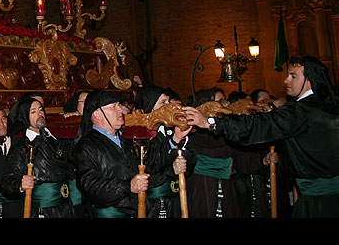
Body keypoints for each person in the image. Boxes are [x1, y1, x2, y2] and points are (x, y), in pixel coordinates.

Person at [184, 55, 339, 218]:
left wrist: (211, 123)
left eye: (293, 76)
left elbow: (256, 126)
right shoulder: (328, 106)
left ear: (310, 80)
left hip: (320, 203)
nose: (286, 80)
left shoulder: (301, 111)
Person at [183, 87, 280, 218]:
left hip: (227, 189)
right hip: (201, 189)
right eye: (219, 101)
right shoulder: (195, 134)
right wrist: (216, 126)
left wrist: (264, 160)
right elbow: (213, 141)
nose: (225, 105)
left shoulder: (227, 133)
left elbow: (241, 160)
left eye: (224, 100)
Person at [74, 89, 149, 218]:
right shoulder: (87, 145)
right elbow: (89, 185)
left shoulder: (128, 140)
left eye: (119, 105)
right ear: (97, 114)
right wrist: (128, 186)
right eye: (113, 107)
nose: (121, 110)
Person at [0, 95, 76, 218]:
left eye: (41, 109)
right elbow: (6, 182)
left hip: (66, 208)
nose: (40, 114)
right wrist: (20, 185)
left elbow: (77, 157)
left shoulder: (57, 140)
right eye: (33, 112)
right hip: (42, 211)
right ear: (25, 117)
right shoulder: (21, 148)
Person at [132, 84, 194, 218]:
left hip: (176, 197)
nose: (168, 106)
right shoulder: (140, 136)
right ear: (150, 107)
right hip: (155, 203)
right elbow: (151, 167)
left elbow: (191, 159)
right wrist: (174, 142)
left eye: (168, 101)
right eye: (162, 103)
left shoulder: (170, 129)